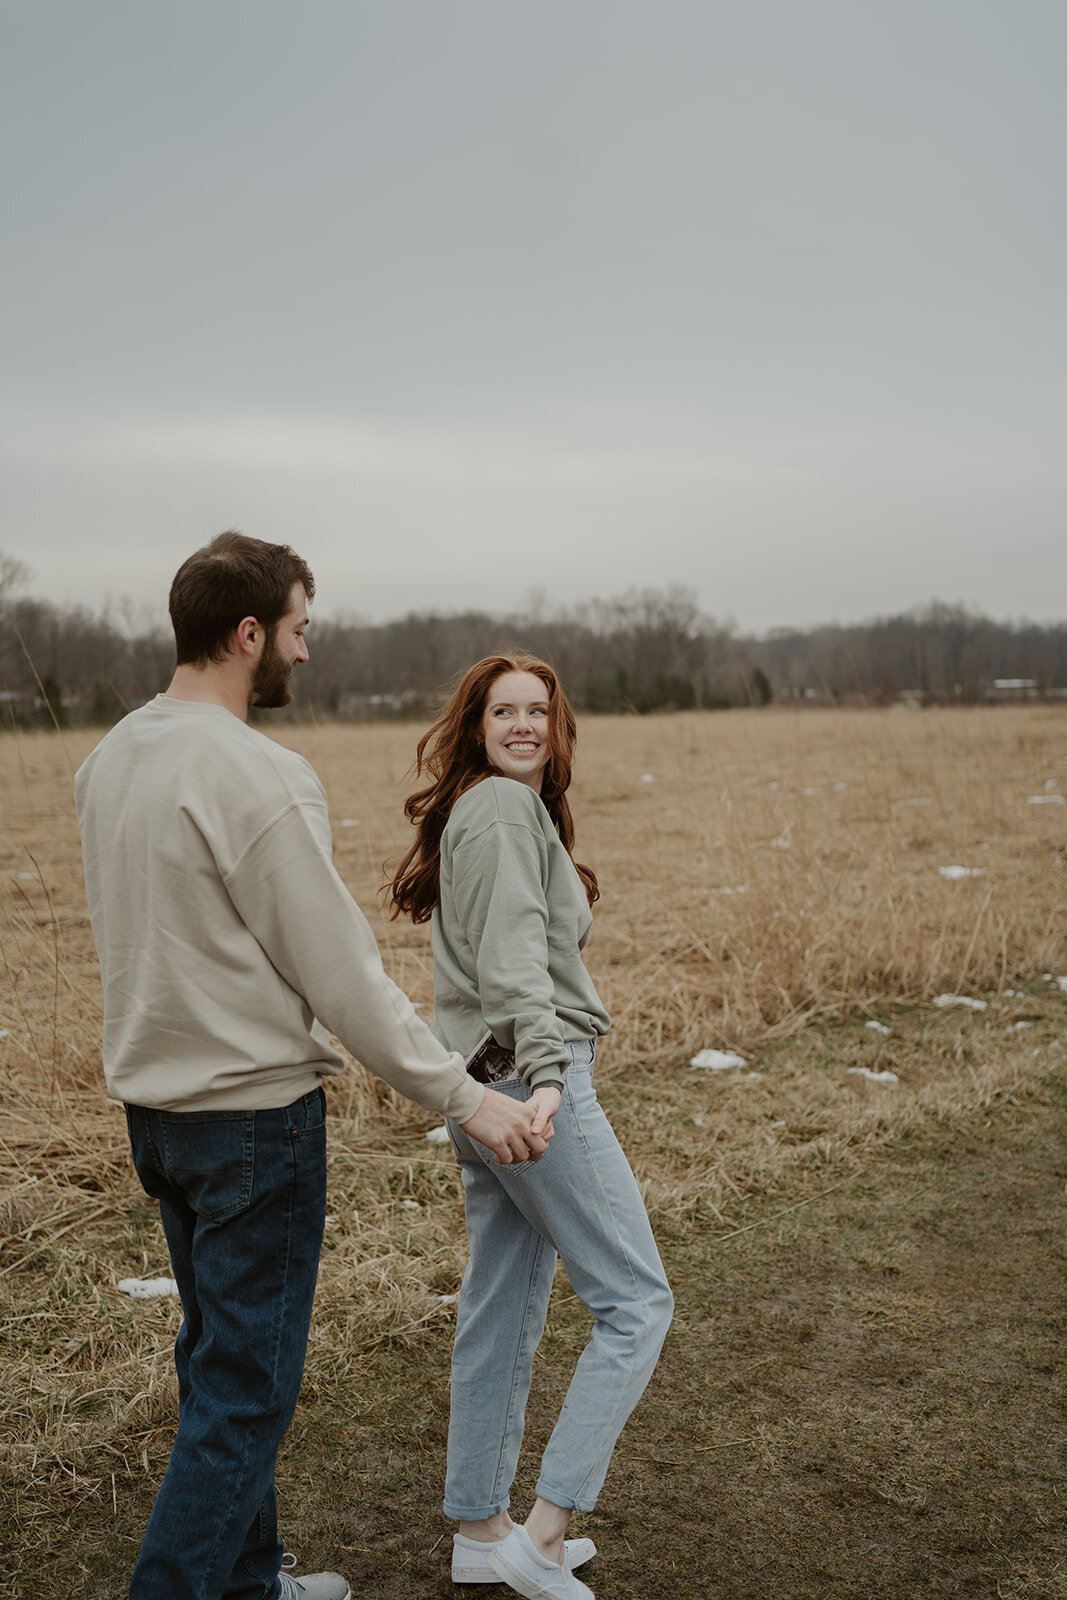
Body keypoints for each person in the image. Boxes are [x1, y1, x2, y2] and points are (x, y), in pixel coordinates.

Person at [75, 535, 549, 1600]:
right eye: (297, 630)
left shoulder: (108, 757)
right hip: (252, 1120)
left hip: (155, 1113)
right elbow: (343, 979)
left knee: (219, 1365)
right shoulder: (259, 772)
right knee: (245, 1390)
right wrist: (468, 1099)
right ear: (249, 635)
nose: (305, 650)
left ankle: (246, 1581)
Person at [389, 654, 673, 1600]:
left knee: (502, 1302)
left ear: (556, 728)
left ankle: (480, 1527)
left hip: (479, 1087)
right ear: (475, 726)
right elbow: (514, 957)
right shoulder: (504, 812)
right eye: (503, 711)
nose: (521, 725)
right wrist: (551, 1074)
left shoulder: (482, 810)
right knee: (636, 1303)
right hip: (528, 1082)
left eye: (537, 712)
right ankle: (541, 1538)